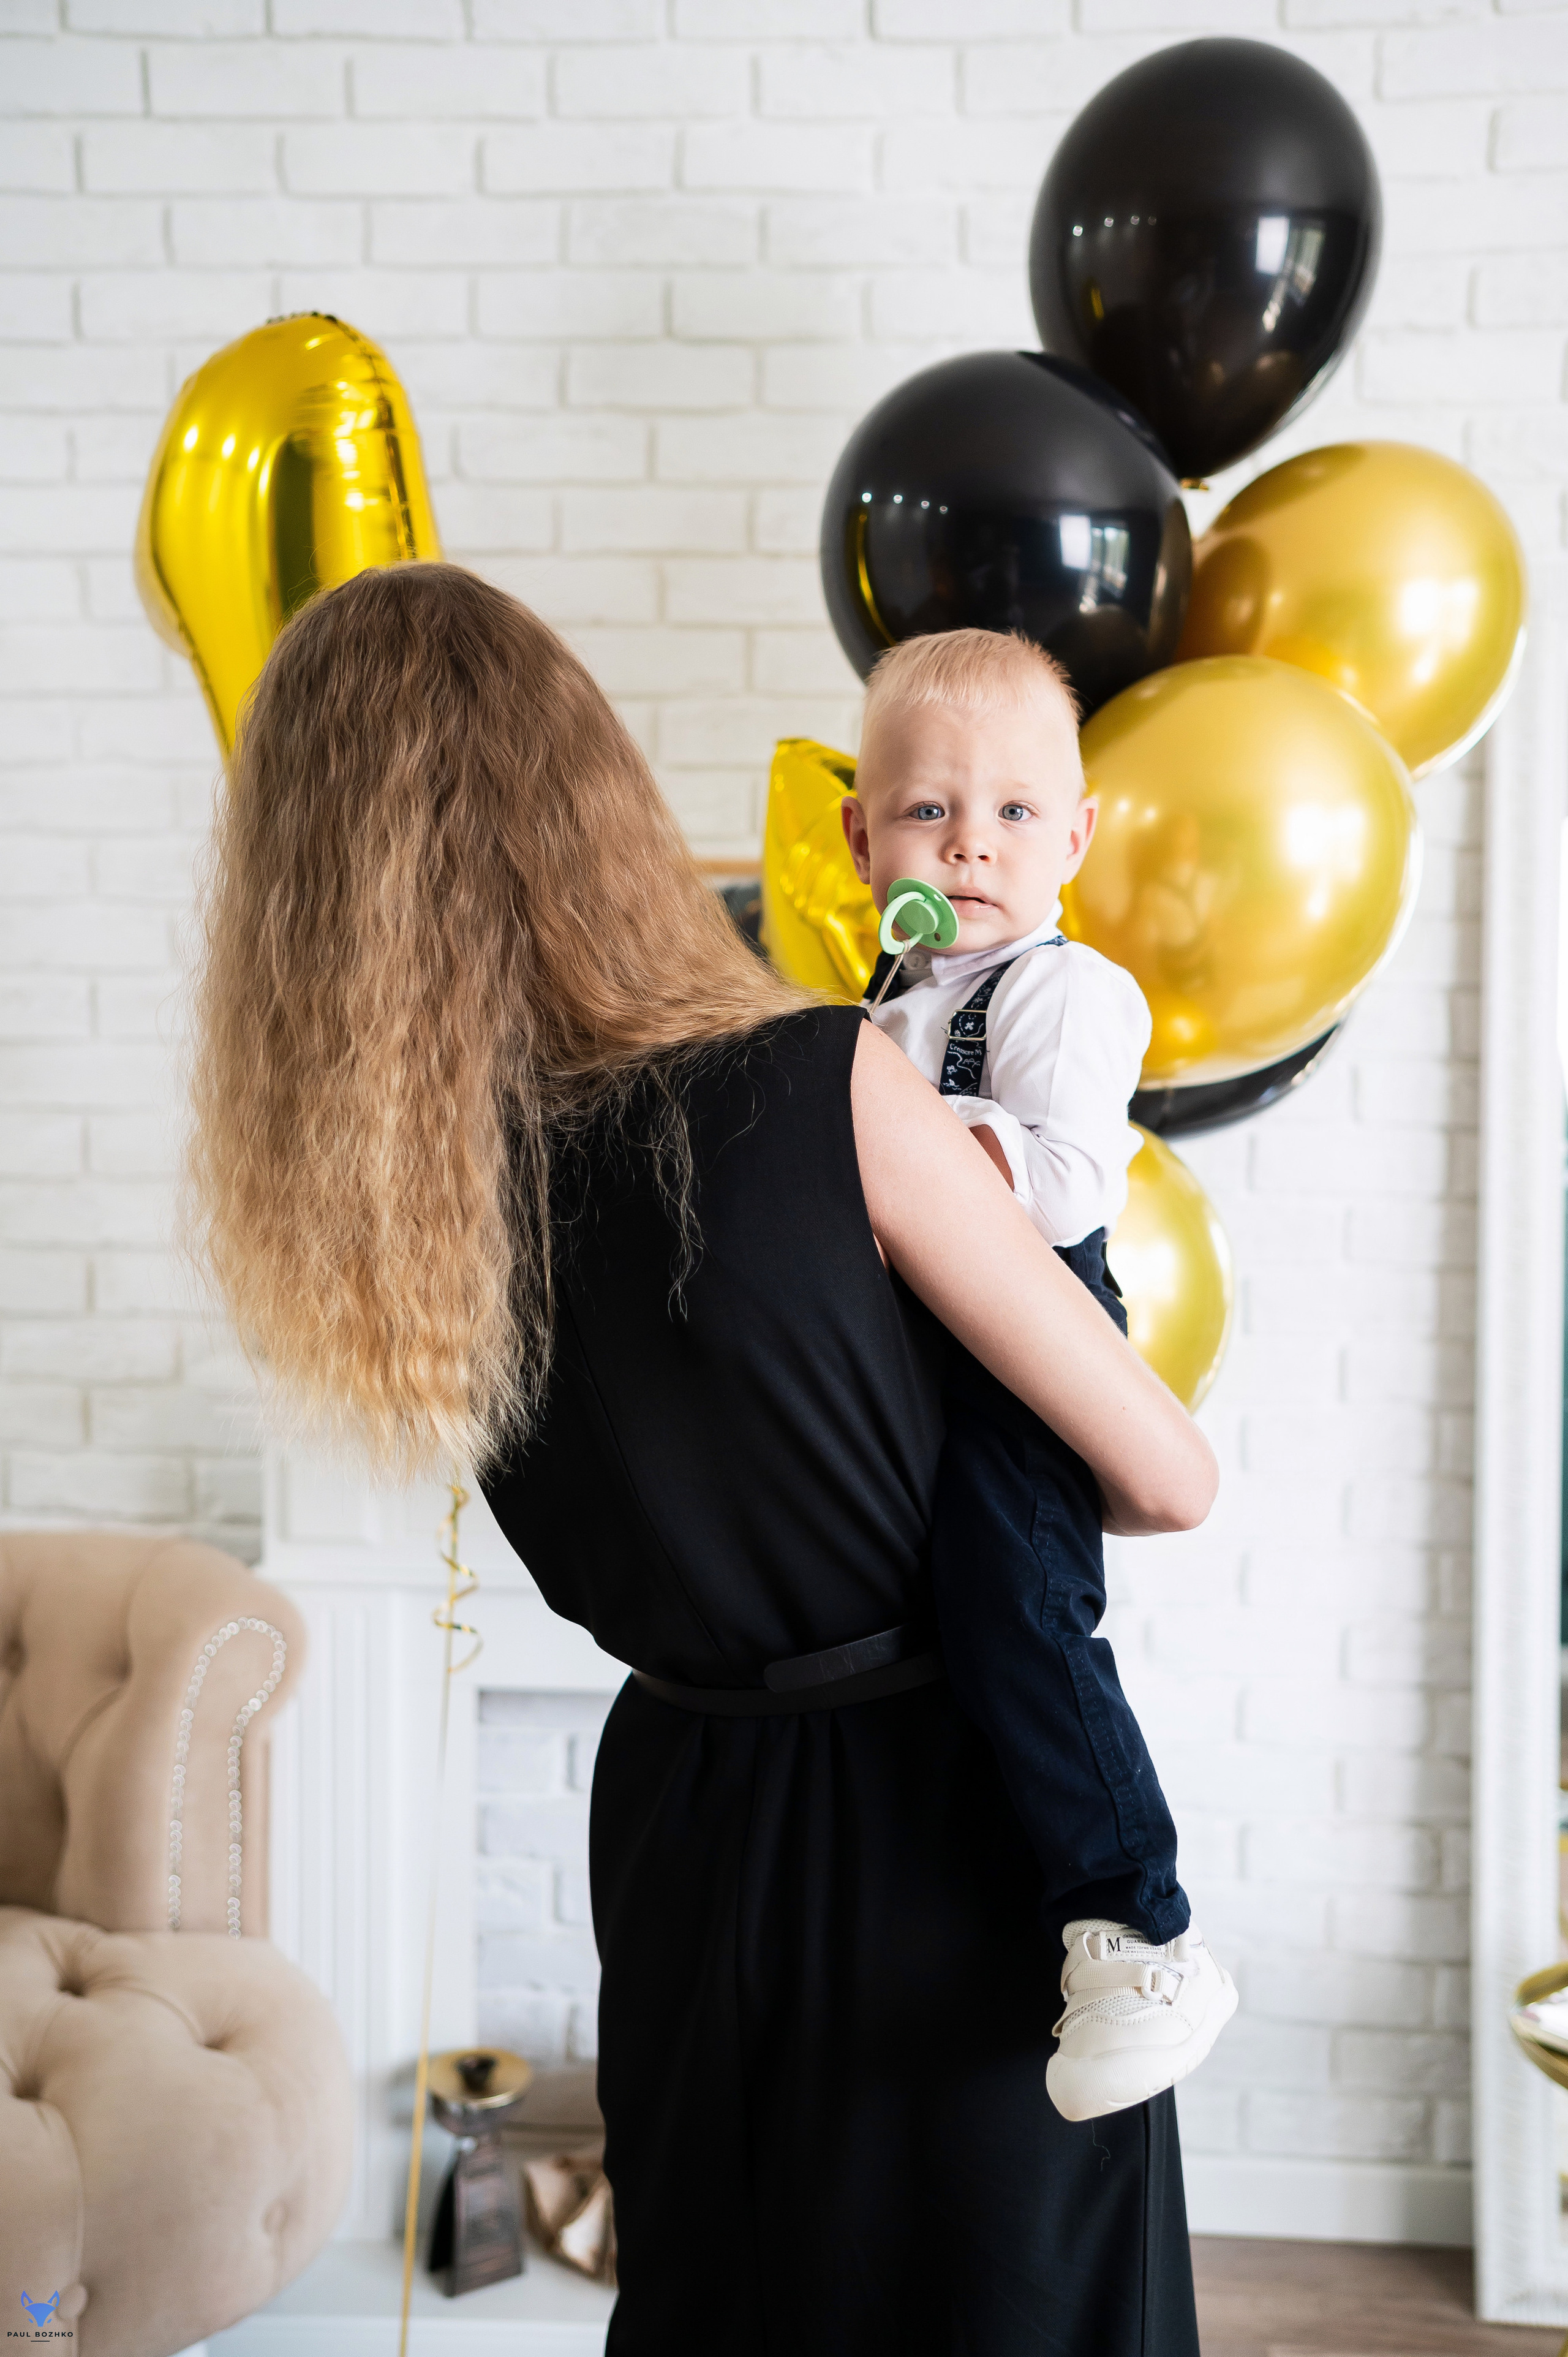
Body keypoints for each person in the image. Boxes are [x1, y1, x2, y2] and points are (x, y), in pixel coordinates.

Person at [186, 561, 1219, 2357]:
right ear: (591, 799)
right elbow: (1165, 1478)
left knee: (725, 2303)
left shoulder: (412, 1226)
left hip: (680, 1822)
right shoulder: (834, 1083)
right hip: (947, 1818)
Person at [843, 628, 1236, 2124]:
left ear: (1072, 838)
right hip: (910, 1344)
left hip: (1027, 1335)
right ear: (863, 838)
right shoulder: (883, 1004)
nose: (971, 843)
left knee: (1017, 1598)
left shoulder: (1062, 991)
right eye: (928, 809)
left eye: (1013, 811)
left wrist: (902, 1148)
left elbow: (1065, 1182)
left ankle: (1141, 1925)